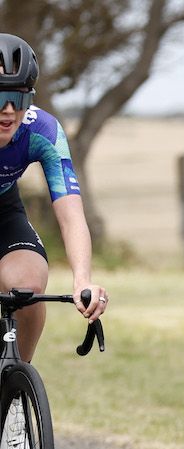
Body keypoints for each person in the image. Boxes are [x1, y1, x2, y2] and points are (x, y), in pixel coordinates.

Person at [0, 32, 107, 363]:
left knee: (28, 289)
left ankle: (15, 383)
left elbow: (71, 214)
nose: (7, 110)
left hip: (4, 213)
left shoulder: (42, 130)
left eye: (17, 99)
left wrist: (82, 280)